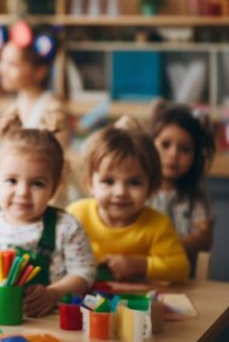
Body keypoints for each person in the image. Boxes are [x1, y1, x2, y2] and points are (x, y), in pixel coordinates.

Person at [0, 115, 94, 317]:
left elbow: (84, 273)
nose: (23, 192)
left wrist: (54, 294)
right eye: (12, 181)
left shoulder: (66, 227)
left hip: (50, 327)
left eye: (37, 183)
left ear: (54, 187)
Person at [68, 117, 190, 283]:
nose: (120, 193)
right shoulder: (75, 216)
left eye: (134, 182)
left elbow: (180, 268)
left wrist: (140, 265)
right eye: (108, 181)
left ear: (152, 188)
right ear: (90, 184)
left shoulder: (157, 225)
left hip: (136, 304)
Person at [0, 28, 72, 203]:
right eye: (2, 61)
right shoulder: (12, 108)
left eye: (12, 65)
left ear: (40, 71)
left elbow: (58, 164)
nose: (2, 69)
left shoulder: (53, 110)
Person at [149, 101, 216, 263]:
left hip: (183, 280)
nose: (173, 155)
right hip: (137, 277)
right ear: (149, 144)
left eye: (185, 149)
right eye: (165, 145)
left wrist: (167, 248)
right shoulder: (140, 192)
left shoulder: (196, 199)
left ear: (196, 156)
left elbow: (204, 240)